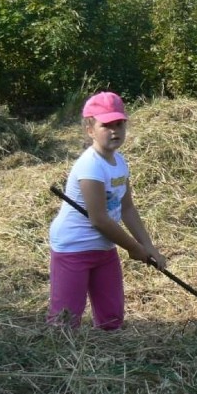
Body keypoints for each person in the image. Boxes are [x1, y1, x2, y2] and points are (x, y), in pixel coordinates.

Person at [48, 91, 166, 330]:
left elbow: (127, 208)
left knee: (112, 317)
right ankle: (60, 360)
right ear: (90, 129)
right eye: (106, 125)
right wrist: (133, 248)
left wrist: (148, 245)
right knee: (65, 319)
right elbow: (99, 219)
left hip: (104, 247)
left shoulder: (119, 162)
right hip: (74, 247)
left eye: (120, 124)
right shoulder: (90, 165)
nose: (115, 131)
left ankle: (108, 356)